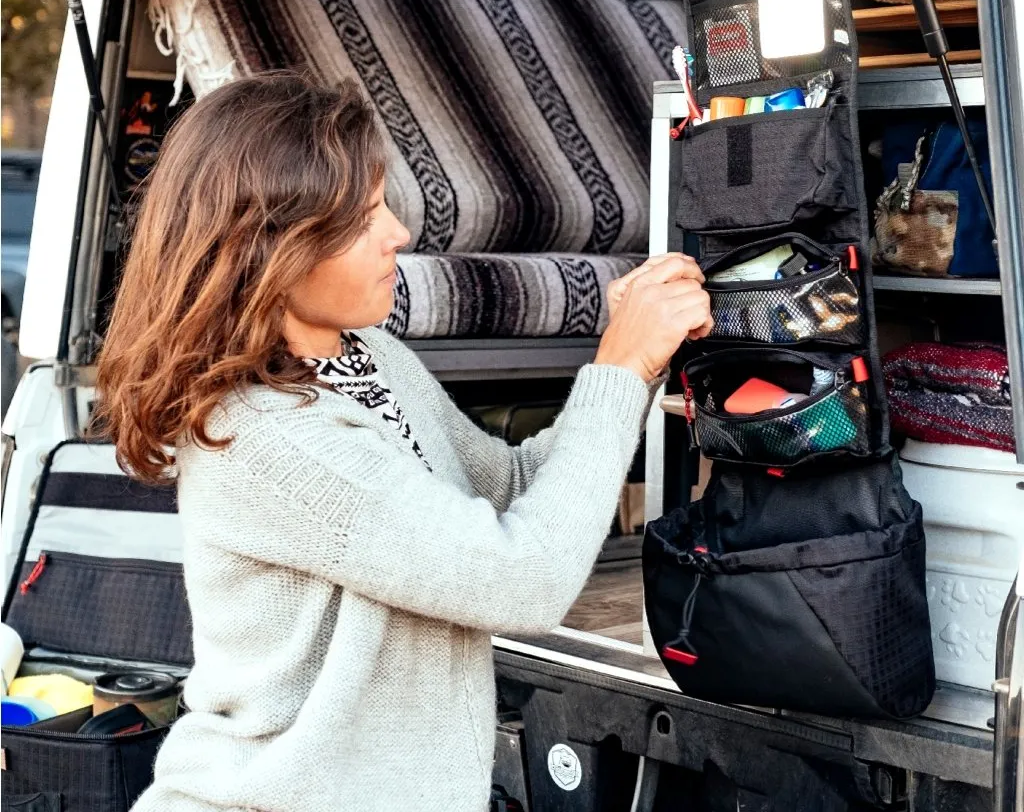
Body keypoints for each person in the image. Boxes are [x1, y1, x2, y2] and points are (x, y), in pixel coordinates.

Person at [94, 71, 712, 812]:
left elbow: (514, 487)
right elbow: (524, 579)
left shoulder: (368, 357)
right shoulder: (261, 437)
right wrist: (620, 364)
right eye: (362, 218)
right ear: (270, 248)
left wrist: (636, 359)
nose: (399, 232)